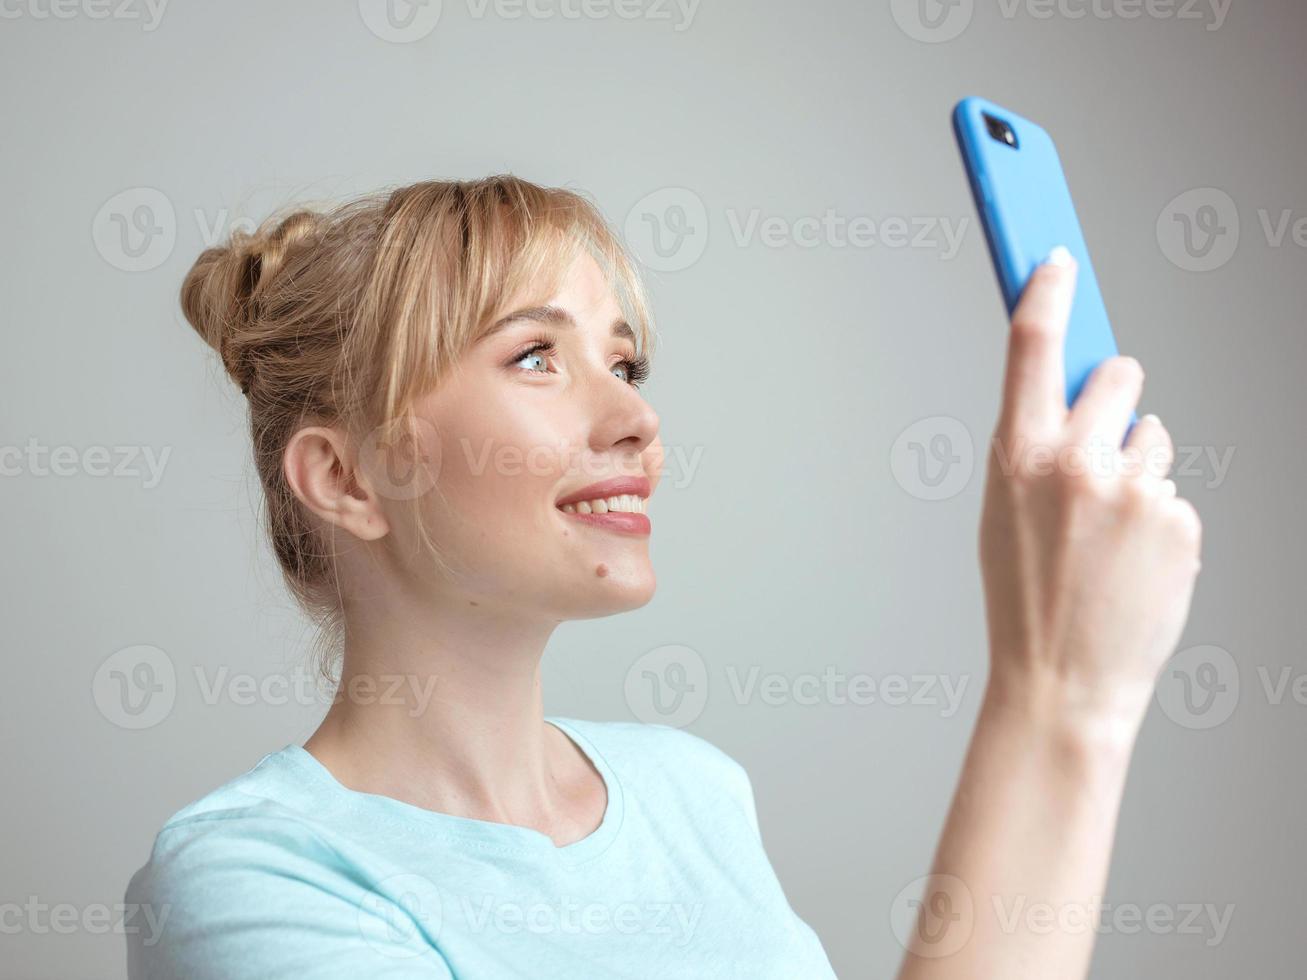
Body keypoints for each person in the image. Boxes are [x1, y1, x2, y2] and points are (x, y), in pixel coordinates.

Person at [124, 176, 1201, 979]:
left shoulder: (694, 790)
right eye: (534, 356)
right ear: (346, 475)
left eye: (625, 361)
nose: (636, 417)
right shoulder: (252, 881)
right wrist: (1060, 695)